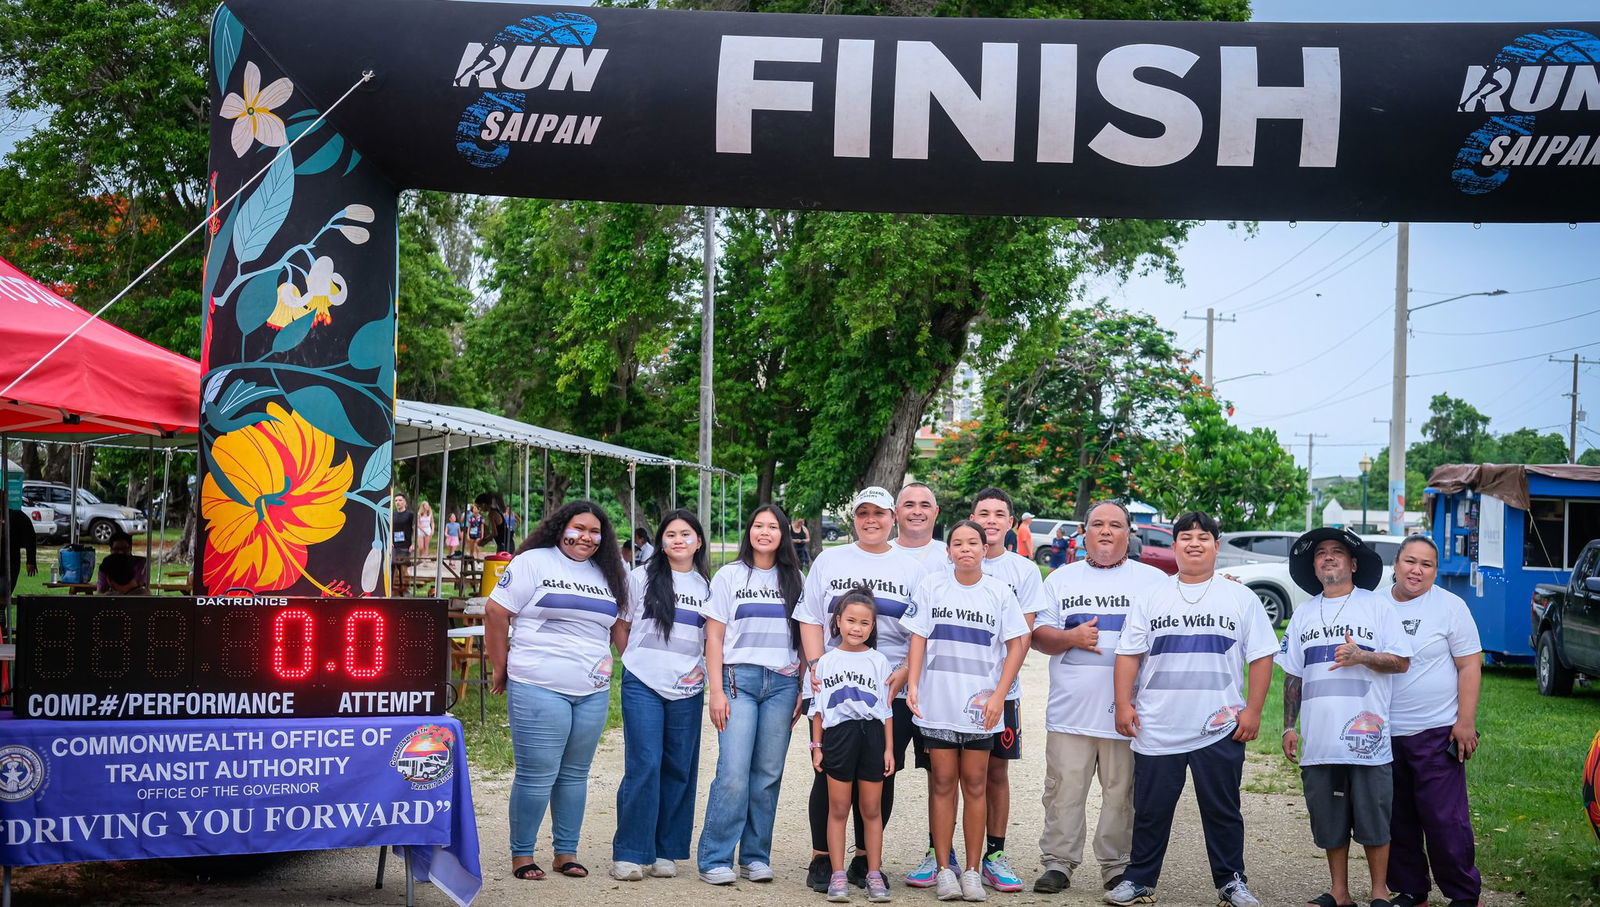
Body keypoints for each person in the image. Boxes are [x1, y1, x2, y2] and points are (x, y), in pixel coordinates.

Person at [1109, 510, 1275, 907]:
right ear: (1174, 544)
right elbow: (1128, 654)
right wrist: (1123, 705)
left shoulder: (1240, 596)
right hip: (1158, 724)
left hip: (1219, 724)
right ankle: (1139, 880)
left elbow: (1263, 656)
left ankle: (1232, 882)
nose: (1194, 543)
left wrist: (1252, 711)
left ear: (1217, 546)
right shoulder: (1153, 596)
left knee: (1223, 810)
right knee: (1150, 810)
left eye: (1204, 536)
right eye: (1186, 536)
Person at [486, 500, 630, 883]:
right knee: (537, 775)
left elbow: (619, 629)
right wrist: (500, 668)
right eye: (578, 528)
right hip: (538, 684)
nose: (586, 537)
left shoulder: (612, 573)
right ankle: (522, 855)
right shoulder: (534, 562)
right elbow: (496, 613)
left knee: (575, 775)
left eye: (594, 531)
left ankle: (566, 852)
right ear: (560, 527)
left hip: (592, 690)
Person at [799, 487, 930, 894]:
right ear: (853, 517)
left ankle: (863, 862)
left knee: (880, 776)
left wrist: (907, 671)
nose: (871, 520)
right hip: (832, 682)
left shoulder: (911, 567)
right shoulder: (830, 559)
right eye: (863, 513)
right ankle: (824, 858)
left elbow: (922, 629)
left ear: (893, 517)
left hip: (886, 687)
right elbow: (808, 617)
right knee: (828, 774)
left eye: (879, 513)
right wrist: (819, 664)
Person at [1031, 501, 1166, 894]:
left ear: (1129, 533)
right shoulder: (1060, 579)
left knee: (1121, 793)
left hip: (1127, 710)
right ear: (1083, 531)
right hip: (1071, 710)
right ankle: (1058, 862)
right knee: (1063, 788)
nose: (1106, 531)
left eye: (1115, 525)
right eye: (1098, 524)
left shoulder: (1153, 581)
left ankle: (1116, 865)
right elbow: (1039, 637)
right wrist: (1070, 638)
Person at [1279, 527, 1412, 907]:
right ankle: (1339, 893)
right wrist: (1289, 725)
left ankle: (1379, 892)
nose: (1328, 557)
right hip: (1320, 741)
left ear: (1353, 563)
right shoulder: (1303, 613)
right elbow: (1293, 674)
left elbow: (1401, 661)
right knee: (1328, 820)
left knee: (1374, 819)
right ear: (1315, 566)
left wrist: (1363, 656)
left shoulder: (1377, 606)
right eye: (1321, 553)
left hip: (1367, 737)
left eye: (1337, 551)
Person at [903, 519, 1030, 903]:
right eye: (957, 543)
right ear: (949, 550)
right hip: (937, 704)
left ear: (985, 547)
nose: (965, 549)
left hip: (981, 709)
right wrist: (912, 684)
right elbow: (918, 638)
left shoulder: (999, 592)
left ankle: (973, 872)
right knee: (942, 783)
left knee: (975, 784)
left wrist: (999, 697)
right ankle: (945, 870)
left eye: (972, 543)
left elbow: (1017, 645)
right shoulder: (932, 585)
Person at [698, 504, 806, 885]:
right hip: (736, 681)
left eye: (772, 526)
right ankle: (715, 858)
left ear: (783, 534)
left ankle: (755, 856)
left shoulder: (796, 578)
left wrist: (803, 687)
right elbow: (713, 635)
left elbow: (806, 637)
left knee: (768, 774)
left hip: (782, 682)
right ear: (749, 531)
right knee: (733, 773)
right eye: (758, 525)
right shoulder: (729, 575)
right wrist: (715, 690)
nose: (765, 532)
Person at [612, 509, 713, 882]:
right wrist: (634, 662)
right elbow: (621, 625)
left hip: (687, 687)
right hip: (643, 683)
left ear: (698, 541)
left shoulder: (707, 586)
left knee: (678, 768)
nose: (678, 540)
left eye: (686, 534)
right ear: (661, 541)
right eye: (670, 534)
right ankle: (630, 851)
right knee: (645, 763)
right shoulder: (640, 578)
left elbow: (711, 640)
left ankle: (665, 850)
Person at [1383, 535, 1482, 907]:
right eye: (1410, 561)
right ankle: (1411, 890)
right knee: (1397, 819)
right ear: (1396, 563)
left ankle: (1463, 894)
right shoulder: (1375, 605)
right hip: (1385, 733)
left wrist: (1465, 721)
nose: (1417, 571)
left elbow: (1469, 664)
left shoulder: (1450, 607)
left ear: (1435, 571)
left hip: (1437, 730)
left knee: (1445, 820)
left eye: (1426, 565)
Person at [965, 487, 1046, 894]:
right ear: (972, 518)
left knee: (996, 771)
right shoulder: (953, 565)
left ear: (1011, 523)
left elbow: (1023, 636)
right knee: (942, 772)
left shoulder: (1024, 572)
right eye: (984, 513)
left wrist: (1000, 689)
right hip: (953, 690)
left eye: (1000, 514)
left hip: (1002, 691)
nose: (991, 520)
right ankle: (939, 851)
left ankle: (994, 854)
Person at [811, 587, 896, 904]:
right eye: (850, 621)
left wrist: (888, 749)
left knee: (871, 809)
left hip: (872, 736)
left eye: (864, 623)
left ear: (872, 627)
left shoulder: (879, 661)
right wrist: (816, 745)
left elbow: (886, 711)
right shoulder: (826, 662)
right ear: (838, 621)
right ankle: (837, 875)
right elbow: (817, 710)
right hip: (838, 737)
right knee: (838, 808)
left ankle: (873, 874)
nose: (856, 628)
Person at [889, 483, 945, 565]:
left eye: (925, 506)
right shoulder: (878, 555)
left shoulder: (951, 556)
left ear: (936, 512)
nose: (917, 512)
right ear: (896, 512)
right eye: (909, 505)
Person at [95, 531, 148, 595]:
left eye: (124, 549)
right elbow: (101, 590)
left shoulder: (140, 563)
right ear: (111, 550)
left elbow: (137, 586)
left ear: (130, 548)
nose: (121, 552)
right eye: (117, 549)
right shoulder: (107, 563)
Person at [7, 506, 37, 593]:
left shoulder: (16, 516)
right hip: (12, 561)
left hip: (11, 561)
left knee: (5, 594)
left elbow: (30, 537)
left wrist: (31, 561)